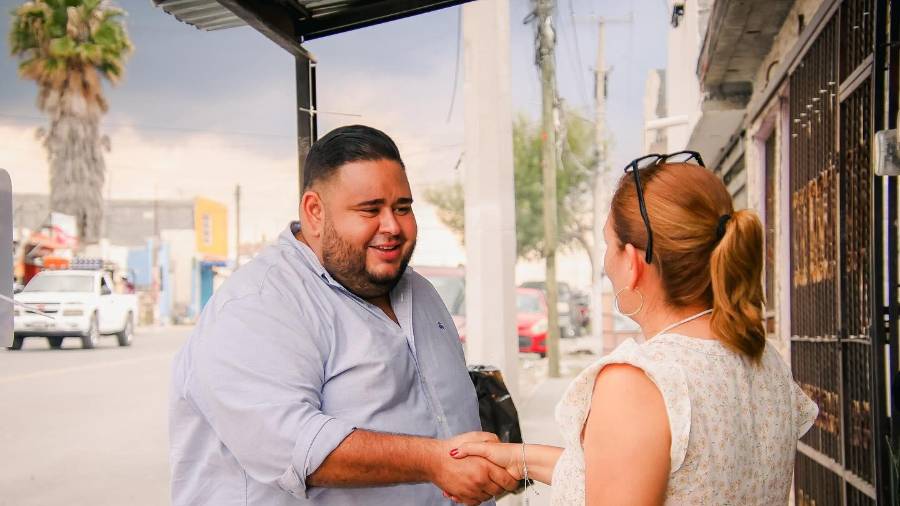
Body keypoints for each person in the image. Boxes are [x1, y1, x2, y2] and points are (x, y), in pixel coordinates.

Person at [169, 125, 517, 506]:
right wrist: (433, 462)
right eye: (370, 210)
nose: (393, 227)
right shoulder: (258, 305)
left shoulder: (420, 292)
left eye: (403, 208)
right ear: (315, 212)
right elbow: (295, 449)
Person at [448, 152, 819, 505]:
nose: (606, 264)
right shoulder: (763, 359)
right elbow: (651, 476)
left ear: (633, 261)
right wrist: (519, 458)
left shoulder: (639, 383)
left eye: (609, 244)